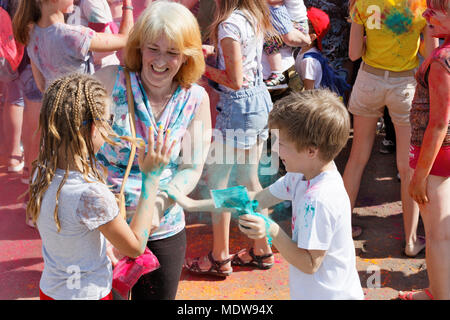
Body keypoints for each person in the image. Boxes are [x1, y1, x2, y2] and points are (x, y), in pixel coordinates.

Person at [165, 89, 364, 300]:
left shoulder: (318, 199)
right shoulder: (304, 175)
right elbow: (252, 199)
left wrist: (271, 229)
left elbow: (311, 263)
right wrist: (191, 204)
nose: (275, 149)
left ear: (311, 151)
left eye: (282, 143)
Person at [94, 1, 211, 299]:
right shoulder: (109, 81)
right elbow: (79, 154)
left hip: (163, 229)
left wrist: (155, 210)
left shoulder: (196, 98)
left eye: (172, 52)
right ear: (139, 48)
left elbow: (191, 168)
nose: (161, 61)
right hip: (106, 229)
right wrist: (106, 228)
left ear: (187, 57)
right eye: (153, 49)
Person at [28, 73, 174, 300]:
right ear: (94, 128)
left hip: (50, 291)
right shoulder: (90, 194)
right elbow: (134, 247)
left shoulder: (42, 171)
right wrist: (152, 178)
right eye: (110, 120)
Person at [186, 0, 274, 278]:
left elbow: (234, 80)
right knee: (249, 181)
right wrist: (215, 53)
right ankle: (262, 249)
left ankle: (220, 256)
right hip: (257, 102)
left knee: (219, 184)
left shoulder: (229, 24)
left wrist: (199, 66)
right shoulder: (252, 14)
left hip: (237, 107)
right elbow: (244, 64)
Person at [344, 0, 439, 249]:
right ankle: (410, 240)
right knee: (407, 165)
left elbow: (353, 53)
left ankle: (341, 229)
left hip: (369, 79)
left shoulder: (362, 3)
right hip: (405, 86)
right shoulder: (422, 5)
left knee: (356, 159)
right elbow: (430, 54)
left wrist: (370, 43)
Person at [398, 0, 450, 300]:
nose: (427, 14)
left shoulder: (442, 59)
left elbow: (439, 124)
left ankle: (439, 295)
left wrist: (419, 176)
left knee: (438, 237)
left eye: (437, 9)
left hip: (437, 155)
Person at [12, 0, 134, 92]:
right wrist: (127, 4)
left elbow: (42, 85)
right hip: (81, 112)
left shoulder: (32, 35)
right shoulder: (73, 36)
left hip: (53, 112)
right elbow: (126, 39)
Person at [264, 0, 310, 89]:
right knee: (270, 41)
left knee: (270, 42)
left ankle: (277, 73)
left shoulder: (278, 8)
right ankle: (277, 73)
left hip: (296, 24)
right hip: (292, 22)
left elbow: (273, 1)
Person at [67, 0, 120, 71]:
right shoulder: (74, 5)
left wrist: (74, 57)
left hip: (103, 72)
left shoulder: (90, 2)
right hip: (88, 70)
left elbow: (109, 42)